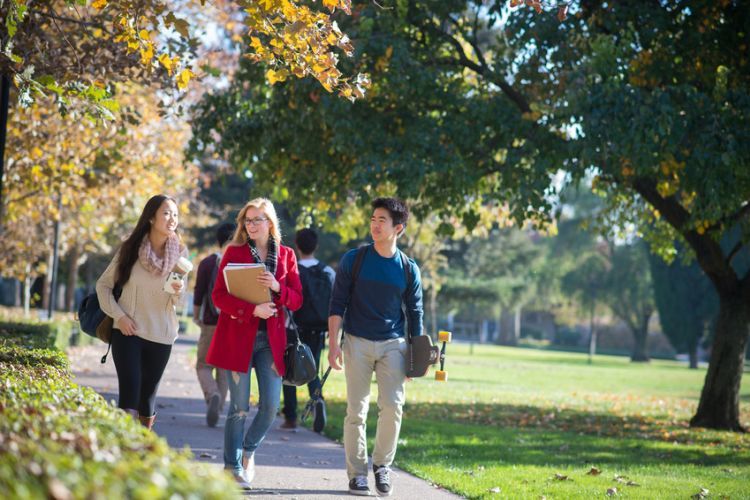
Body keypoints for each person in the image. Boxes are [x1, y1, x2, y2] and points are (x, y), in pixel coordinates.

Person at [327, 197, 424, 497]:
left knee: (393, 406)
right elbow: (337, 304)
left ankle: (382, 466)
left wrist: (416, 359)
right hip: (356, 341)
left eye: (382, 220)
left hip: (393, 344)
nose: (375, 224)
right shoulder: (354, 260)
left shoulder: (408, 269)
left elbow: (415, 313)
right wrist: (333, 345)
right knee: (356, 410)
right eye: (373, 218)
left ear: (399, 228)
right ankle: (357, 475)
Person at [206, 198, 302, 488]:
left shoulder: (286, 256)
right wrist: (251, 310)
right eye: (247, 220)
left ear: (270, 223)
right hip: (237, 338)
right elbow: (218, 296)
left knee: (271, 406)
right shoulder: (233, 252)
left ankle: (248, 451)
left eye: (257, 219)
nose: (251, 225)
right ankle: (231, 466)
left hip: (270, 342)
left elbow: (297, 299)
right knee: (239, 407)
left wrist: (277, 287)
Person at [96, 194, 189, 430]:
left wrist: (179, 290)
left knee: (147, 401)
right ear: (151, 217)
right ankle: (125, 451)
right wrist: (120, 316)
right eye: (166, 213)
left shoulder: (180, 253)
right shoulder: (131, 249)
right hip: (128, 333)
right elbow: (103, 286)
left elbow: (177, 301)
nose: (172, 219)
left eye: (175, 215)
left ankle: (141, 452)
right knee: (129, 396)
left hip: (162, 335)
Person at [281, 228, 335, 432]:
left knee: (289, 370)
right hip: (319, 329)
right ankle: (317, 401)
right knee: (312, 369)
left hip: (294, 327)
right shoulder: (328, 272)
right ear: (317, 246)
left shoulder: (292, 271)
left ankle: (291, 417)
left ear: (297, 245)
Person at [192, 222, 235, 427]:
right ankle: (217, 408)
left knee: (203, 365)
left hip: (210, 322)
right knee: (224, 369)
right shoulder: (239, 263)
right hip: (232, 323)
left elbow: (199, 291)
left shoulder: (208, 263)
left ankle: (212, 394)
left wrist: (197, 315)